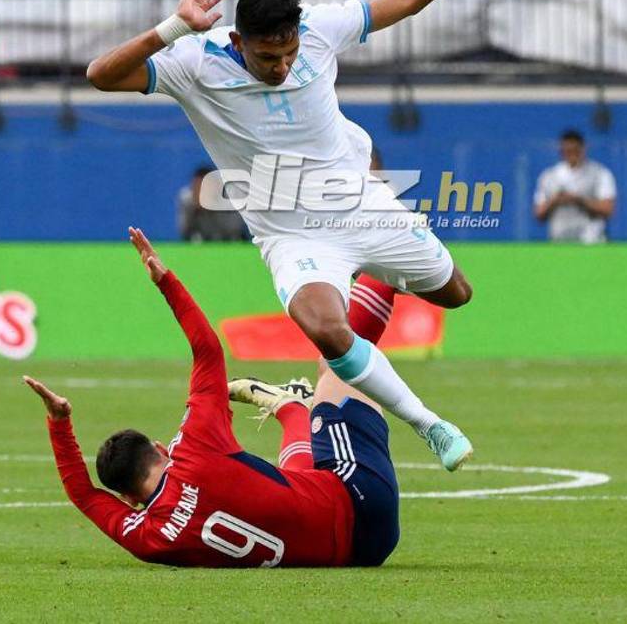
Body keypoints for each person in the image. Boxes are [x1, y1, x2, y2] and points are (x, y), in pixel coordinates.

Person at [85, 0, 508, 471]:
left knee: (456, 294)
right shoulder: (194, 66)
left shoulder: (320, 32)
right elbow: (100, 75)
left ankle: (371, 276)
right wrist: (175, 26)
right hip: (291, 233)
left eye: (287, 52)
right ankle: (431, 425)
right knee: (325, 330)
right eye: (266, 56)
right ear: (237, 39)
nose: (281, 65)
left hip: (361, 202)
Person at [24, 228, 402, 567]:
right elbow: (207, 350)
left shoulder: (149, 539)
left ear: (127, 499)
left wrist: (58, 424)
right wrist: (166, 282)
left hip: (362, 553)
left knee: (292, 481)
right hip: (362, 499)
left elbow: (83, 496)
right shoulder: (195, 446)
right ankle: (395, 253)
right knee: (335, 363)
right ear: (161, 448)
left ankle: (290, 409)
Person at [533, 129, 616, 243]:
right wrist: (555, 200)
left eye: (575, 150)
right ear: (561, 150)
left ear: (583, 148)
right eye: (567, 150)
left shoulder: (600, 173)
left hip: (592, 243)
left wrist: (579, 200)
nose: (571, 154)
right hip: (560, 243)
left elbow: (608, 209)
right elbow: (539, 213)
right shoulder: (549, 176)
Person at [177, 166, 249, 242]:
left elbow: (235, 229)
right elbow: (184, 231)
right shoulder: (187, 200)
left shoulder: (229, 199)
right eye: (196, 188)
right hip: (202, 242)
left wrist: (213, 206)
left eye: (204, 188)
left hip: (229, 241)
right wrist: (194, 211)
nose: (200, 193)